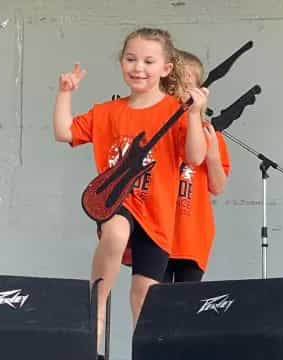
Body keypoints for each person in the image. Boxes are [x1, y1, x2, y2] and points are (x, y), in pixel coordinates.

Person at [52, 27, 208, 352]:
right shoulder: (107, 112)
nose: (138, 67)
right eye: (131, 59)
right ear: (121, 62)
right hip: (116, 202)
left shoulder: (174, 111)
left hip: (158, 219)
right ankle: (97, 307)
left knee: (144, 301)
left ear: (166, 68)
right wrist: (65, 92)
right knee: (117, 232)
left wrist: (194, 115)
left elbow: (195, 156)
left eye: (149, 61)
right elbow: (64, 131)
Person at [163, 49, 231, 283]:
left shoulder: (209, 133)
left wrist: (212, 155)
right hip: (157, 232)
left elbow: (218, 186)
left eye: (189, 84)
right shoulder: (157, 130)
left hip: (192, 235)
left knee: (185, 304)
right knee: (152, 304)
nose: (182, 90)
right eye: (176, 84)